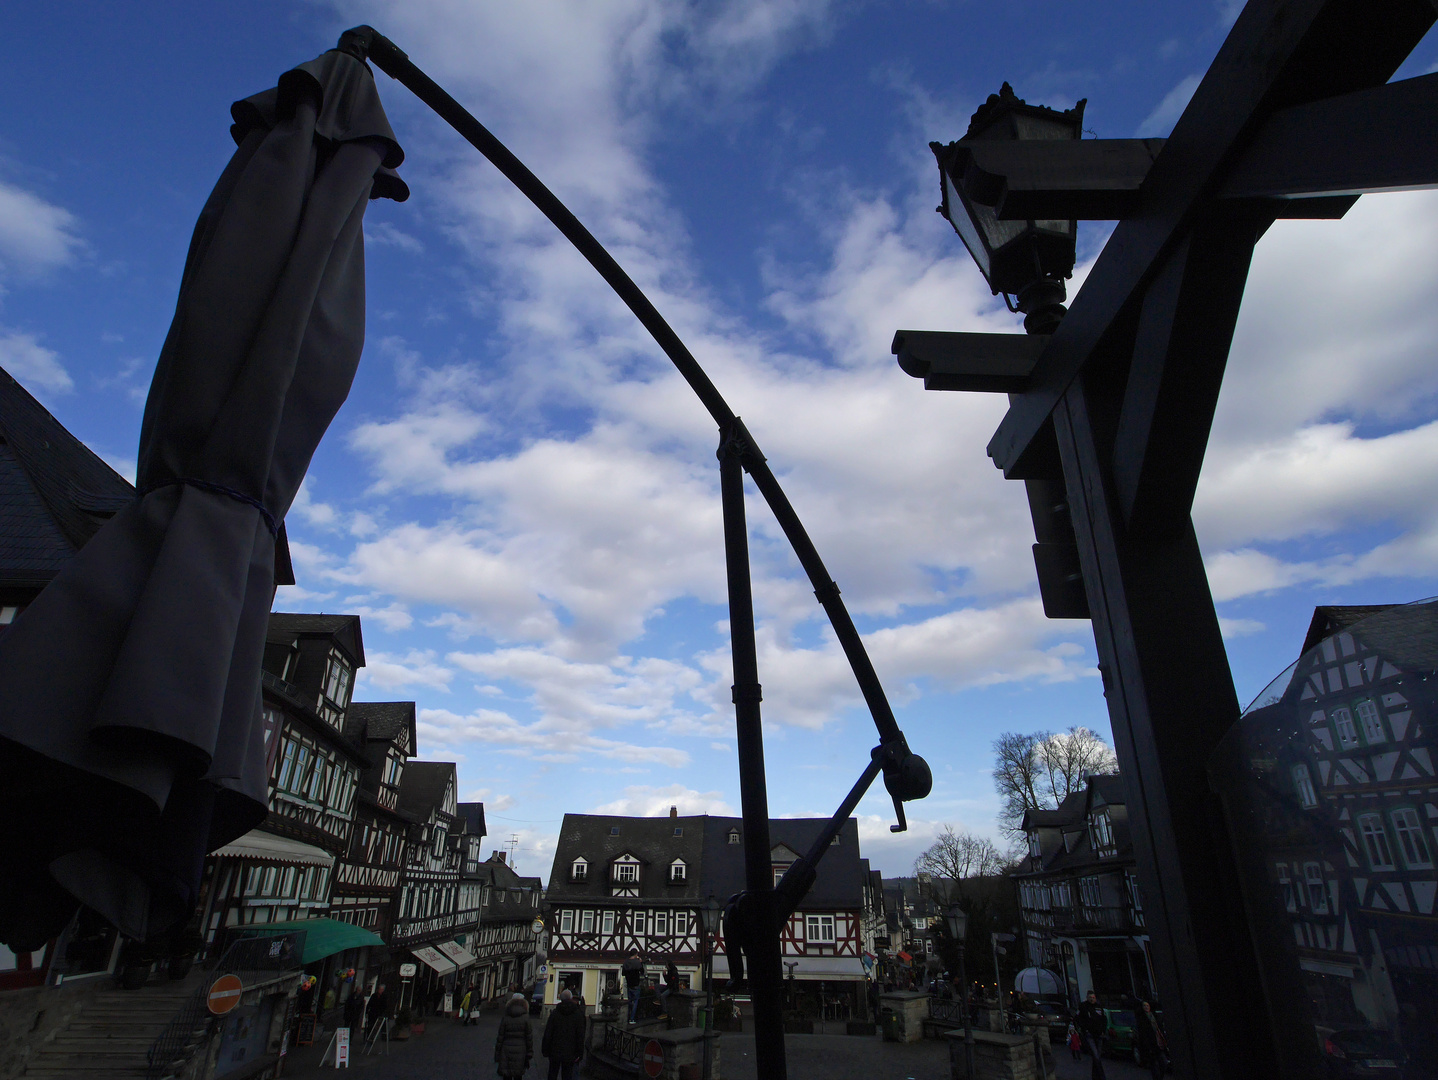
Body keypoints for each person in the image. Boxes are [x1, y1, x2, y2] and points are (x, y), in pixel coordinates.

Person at [542, 988, 587, 1080]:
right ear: (571, 998)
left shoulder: (555, 1014)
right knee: (567, 1075)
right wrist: (580, 1053)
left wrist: (545, 1050)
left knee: (552, 1074)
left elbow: (548, 1033)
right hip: (570, 1052)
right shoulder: (578, 1015)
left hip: (555, 1050)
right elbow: (580, 1035)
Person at [495, 992, 533, 1080]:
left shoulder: (506, 1016)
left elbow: (500, 1036)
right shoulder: (526, 1017)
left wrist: (497, 1053)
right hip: (521, 1049)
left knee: (506, 1074)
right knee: (518, 1075)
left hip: (506, 1049)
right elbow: (529, 1038)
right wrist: (529, 1053)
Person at [1075, 990, 1109, 1080]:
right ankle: (1102, 1077)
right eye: (1090, 997)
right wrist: (1084, 1029)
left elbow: (1104, 1019)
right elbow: (1077, 1018)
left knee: (1097, 1056)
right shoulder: (1083, 1006)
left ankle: (1095, 1077)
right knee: (1096, 1055)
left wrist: (1103, 1030)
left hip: (1099, 1034)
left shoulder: (1099, 1007)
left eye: (1093, 998)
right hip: (1089, 1034)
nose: (1092, 999)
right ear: (1087, 998)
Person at [1134, 1000, 1166, 1080]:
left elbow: (1159, 1028)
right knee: (1154, 1063)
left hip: (1158, 1042)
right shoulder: (1141, 1019)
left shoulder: (1154, 1016)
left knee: (1163, 1062)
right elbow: (1142, 1033)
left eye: (1147, 1005)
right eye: (1144, 1006)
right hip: (1150, 1044)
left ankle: (1160, 1077)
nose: (1146, 1007)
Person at [622, 949, 645, 1024]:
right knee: (635, 1001)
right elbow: (642, 972)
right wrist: (641, 963)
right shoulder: (637, 962)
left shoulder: (625, 962)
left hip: (629, 984)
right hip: (636, 984)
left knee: (630, 1001)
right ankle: (632, 1018)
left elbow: (623, 973)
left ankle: (628, 1017)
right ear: (636, 954)